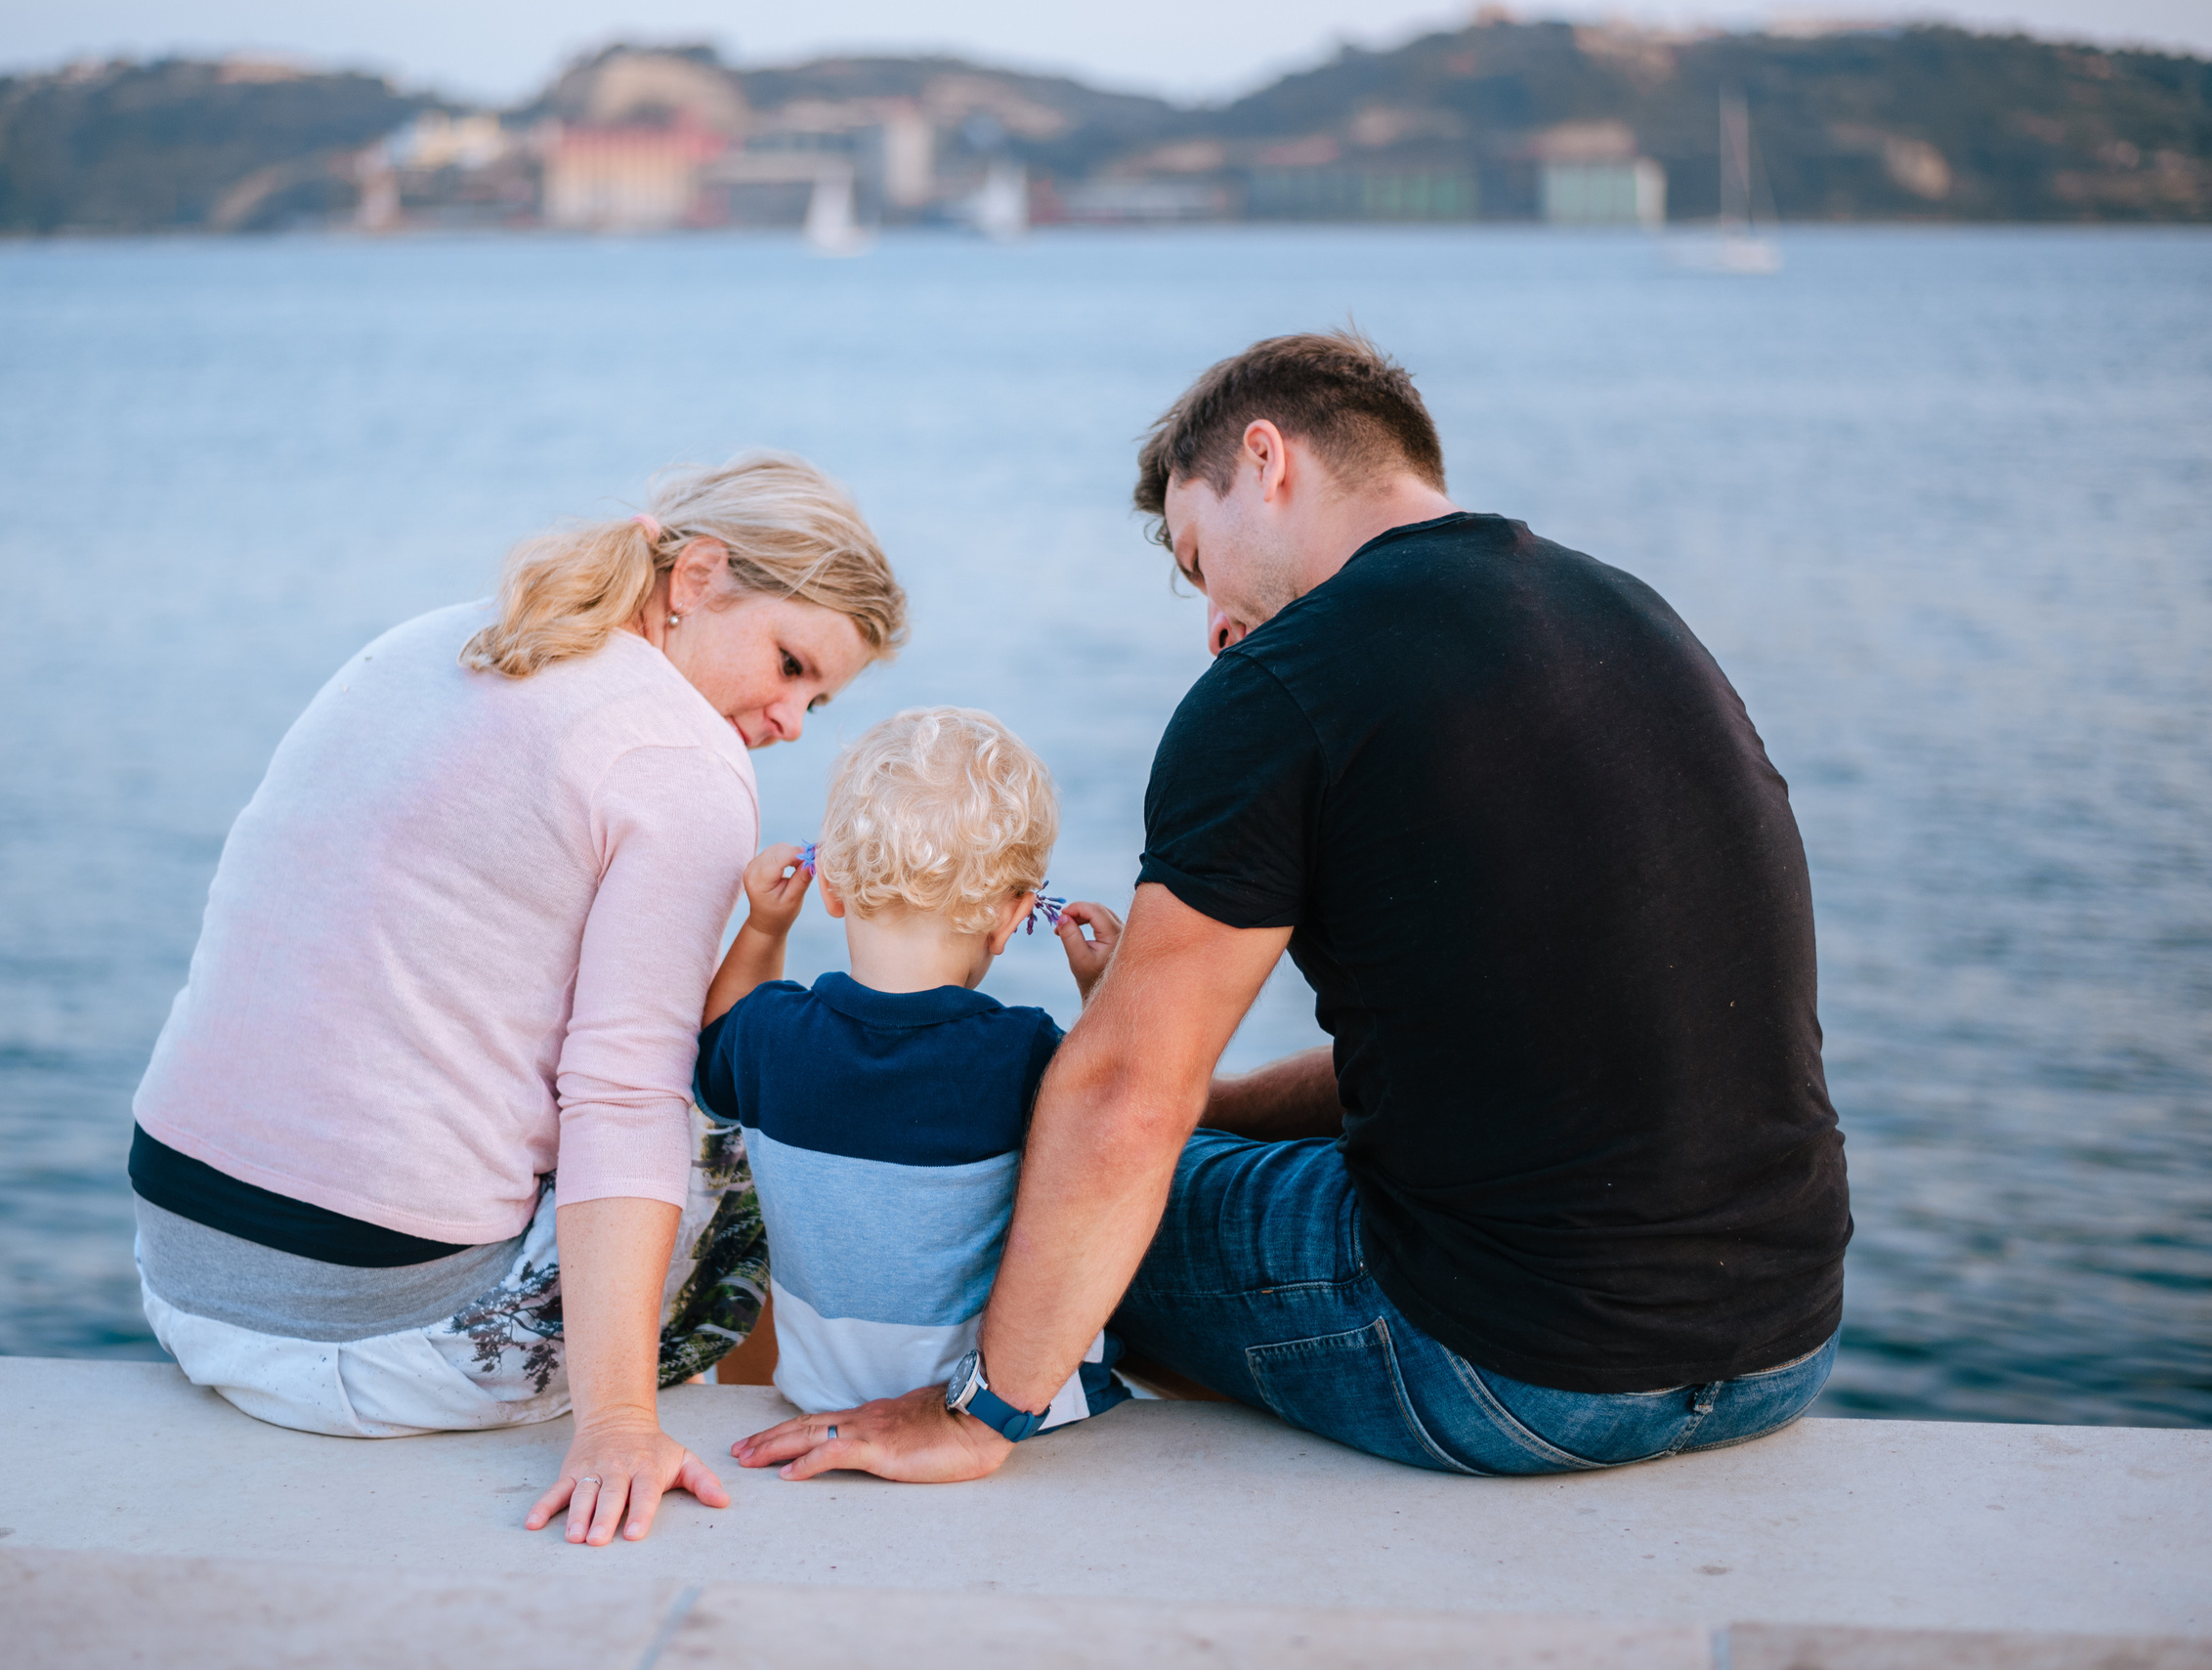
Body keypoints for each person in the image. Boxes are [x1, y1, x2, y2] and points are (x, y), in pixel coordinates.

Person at [737, 328, 1851, 1483]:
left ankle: (927, 1402)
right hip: (1780, 1336)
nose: (1209, 610)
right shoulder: (1630, 614)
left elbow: (1125, 1092)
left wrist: (985, 1411)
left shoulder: (1284, 679)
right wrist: (1217, 1107)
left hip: (1518, 1370)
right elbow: (1514, 1034)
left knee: (1029, 1177)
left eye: (1194, 551)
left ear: (1265, 460)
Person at [126, 450, 906, 1546]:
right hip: (379, 1334)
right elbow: (624, 1093)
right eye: (788, 663)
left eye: (814, 698)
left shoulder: (435, 636)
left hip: (181, 1274)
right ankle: (747, 1428)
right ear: (696, 577)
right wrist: (617, 1424)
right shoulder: (682, 768)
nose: (787, 717)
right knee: (756, 1079)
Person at [695, 707, 1129, 1432]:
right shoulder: (1023, 1052)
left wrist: (764, 927)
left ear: (830, 887)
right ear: (1009, 916)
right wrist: (1104, 993)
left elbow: (714, 1054)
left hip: (819, 1388)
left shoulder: (769, 1034)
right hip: (989, 1402)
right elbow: (1115, 1126)